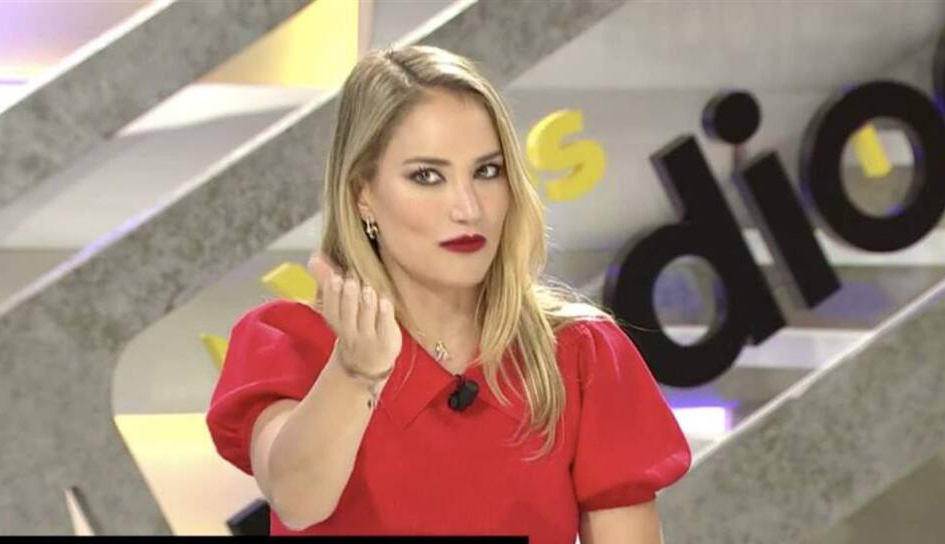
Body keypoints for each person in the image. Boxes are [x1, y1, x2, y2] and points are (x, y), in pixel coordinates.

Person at [206, 45, 691, 544]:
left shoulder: (581, 354)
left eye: (487, 171)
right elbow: (297, 500)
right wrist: (355, 373)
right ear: (361, 194)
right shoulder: (288, 343)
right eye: (427, 176)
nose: (468, 208)